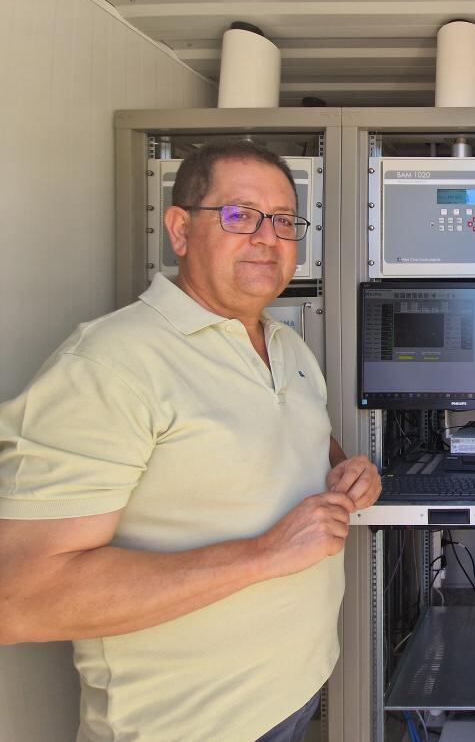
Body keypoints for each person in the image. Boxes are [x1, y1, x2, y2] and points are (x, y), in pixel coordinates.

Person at [0, 141, 381, 741]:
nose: (267, 237)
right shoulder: (110, 365)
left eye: (284, 220)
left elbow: (306, 440)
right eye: (239, 215)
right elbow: (19, 598)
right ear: (179, 229)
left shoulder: (288, 346)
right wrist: (265, 553)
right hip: (189, 725)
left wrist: (350, 469)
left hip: (293, 693)